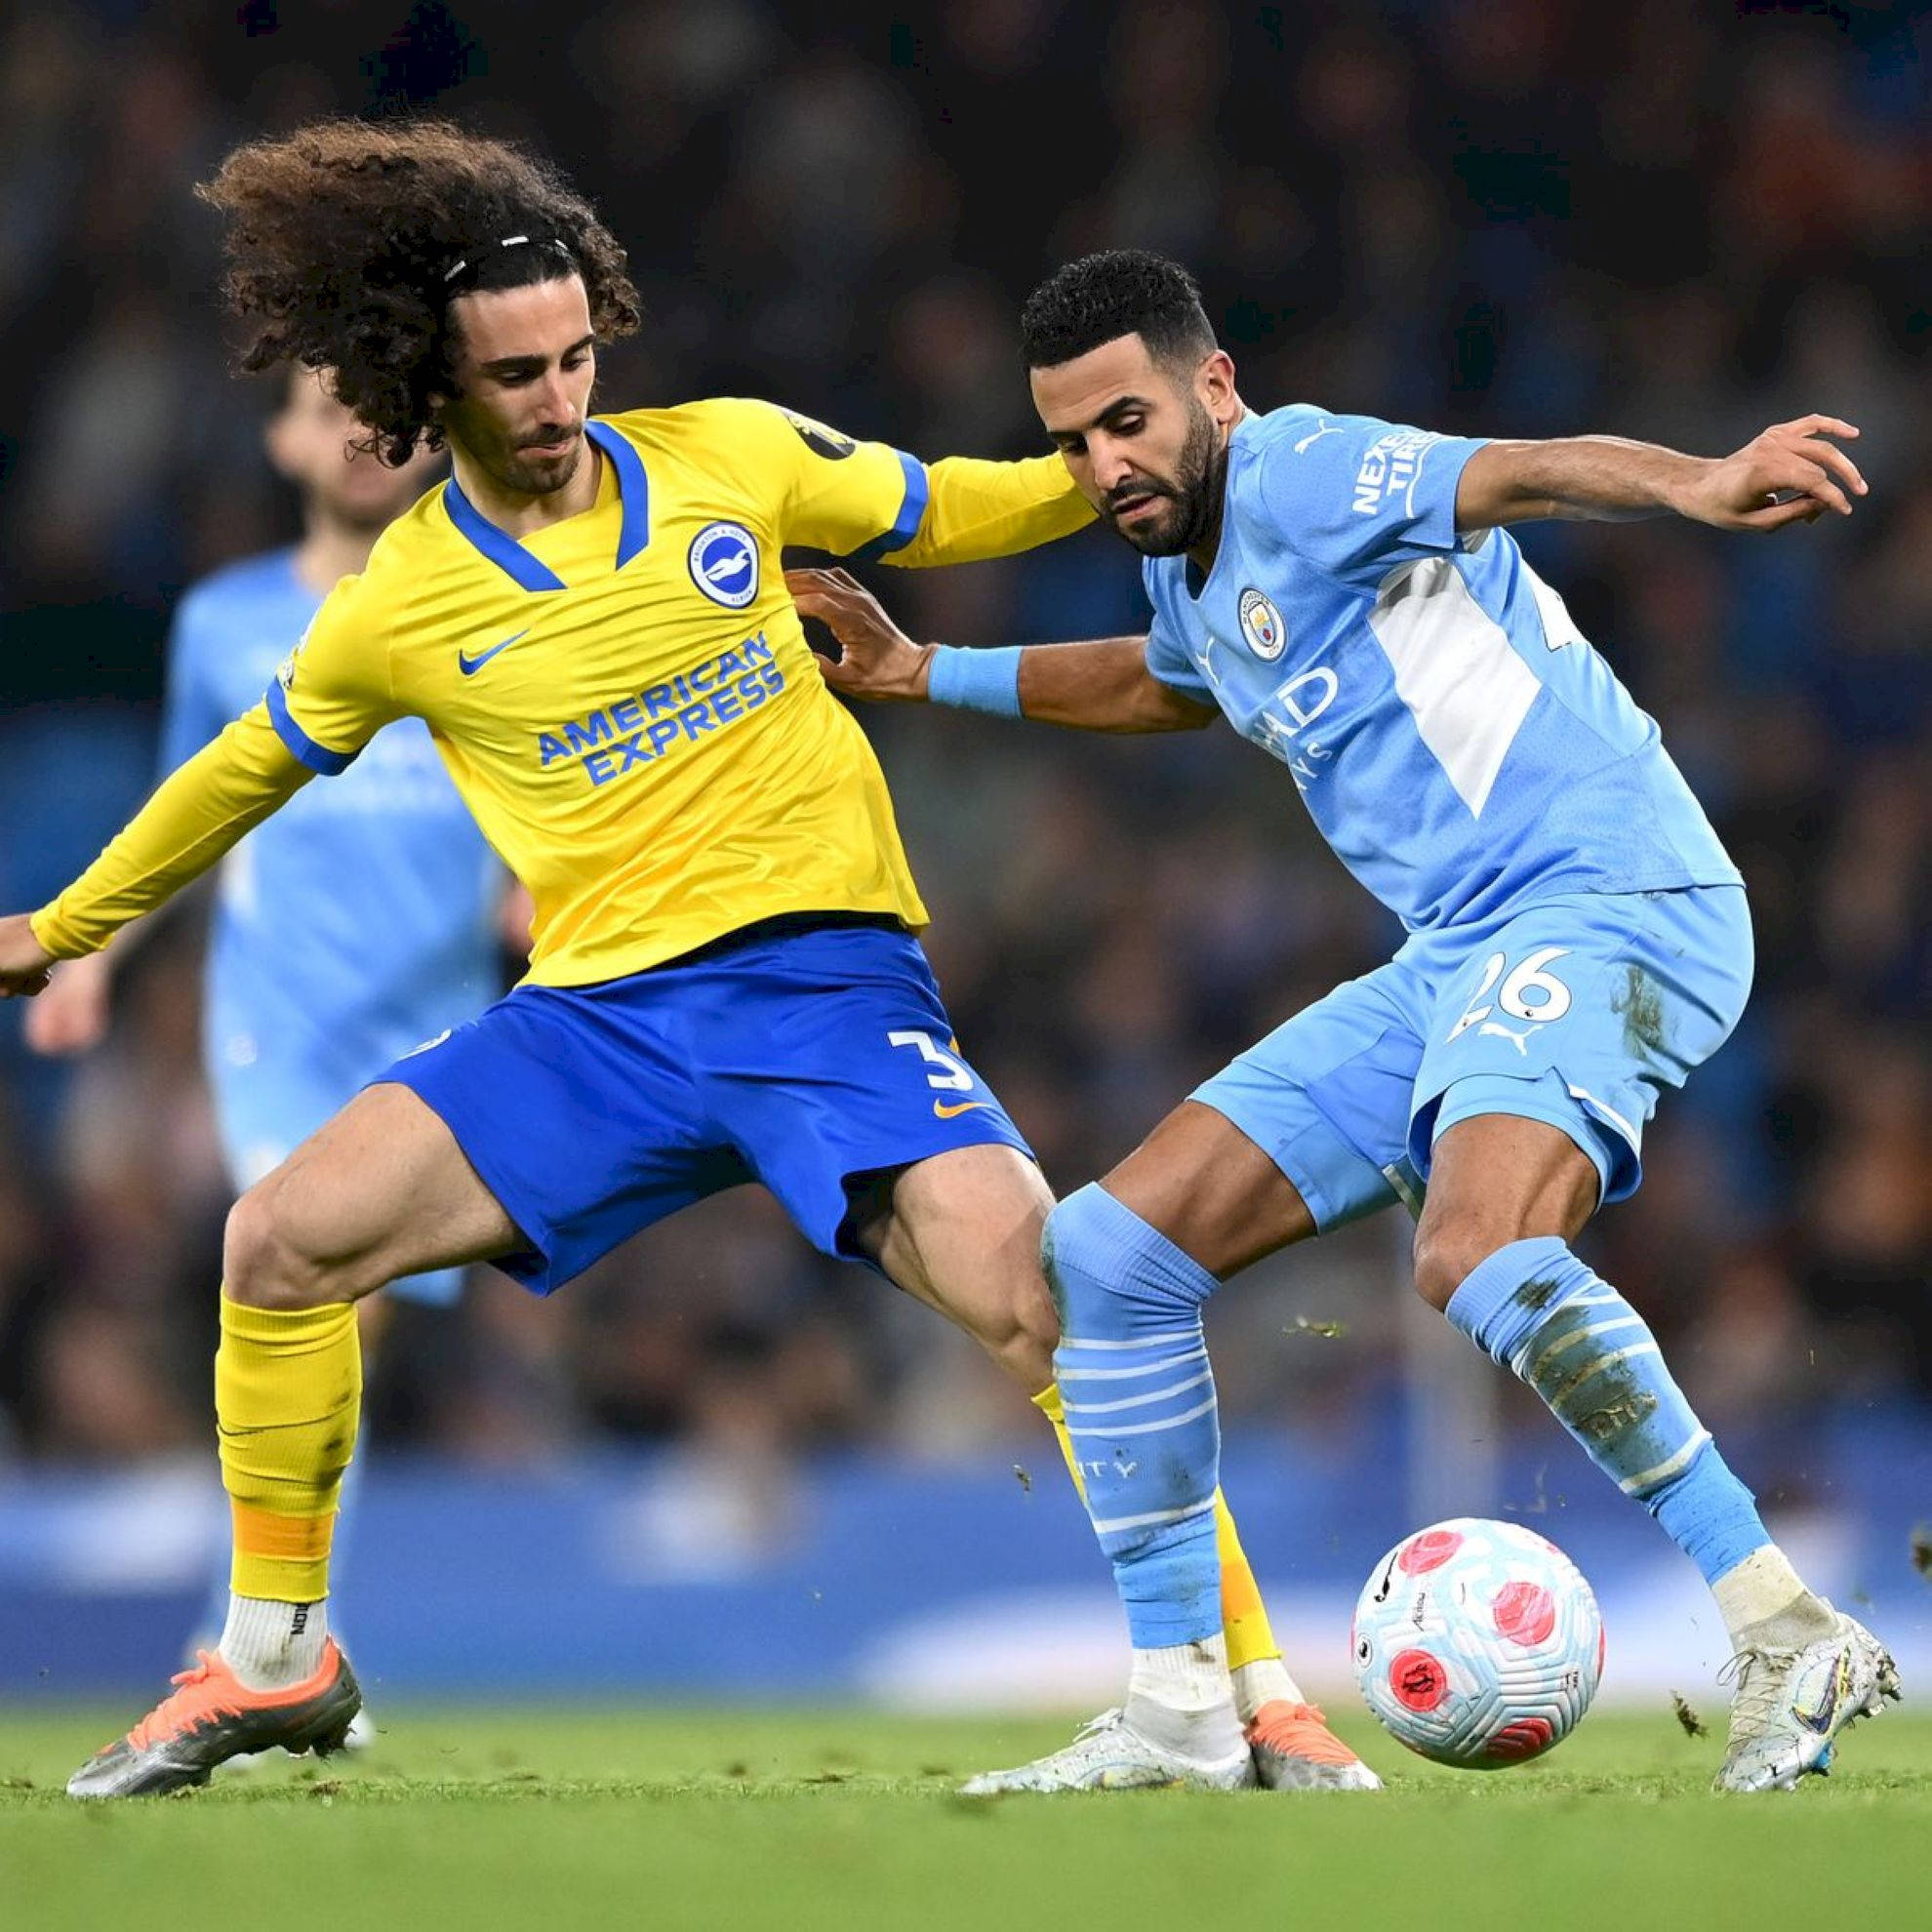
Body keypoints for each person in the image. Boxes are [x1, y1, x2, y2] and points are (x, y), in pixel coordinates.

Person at [0, 131, 1361, 1799]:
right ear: (431, 380)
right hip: (595, 1026)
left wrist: (1160, 463)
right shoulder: (399, 604)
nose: (560, 398)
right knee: (279, 1241)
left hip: (822, 992)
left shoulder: (729, 454)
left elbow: (953, 504)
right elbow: (242, 771)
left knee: (1048, 1296)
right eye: (516, 373)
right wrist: (60, 926)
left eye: (578, 356)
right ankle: (278, 1663)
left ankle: (1251, 1693)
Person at [789, 248, 1900, 1795]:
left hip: (1607, 894)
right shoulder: (1183, 565)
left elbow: (1514, 471)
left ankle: (1785, 1626)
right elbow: (1173, 683)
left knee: (1474, 1249)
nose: (1103, 466)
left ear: (1213, 386)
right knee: (1106, 1261)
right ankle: (1184, 1708)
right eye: (1071, 443)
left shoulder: (1305, 469)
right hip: (1458, 955)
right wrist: (925, 671)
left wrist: (1701, 481)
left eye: (1126, 421)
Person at [25, 366, 508, 1752]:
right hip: (279, 1029)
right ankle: (261, 1637)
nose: (359, 434)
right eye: (327, 407)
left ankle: (282, 1636)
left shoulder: (490, 598)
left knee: (345, 1324)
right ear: (281, 438)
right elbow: (190, 808)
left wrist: (544, 890)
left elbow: (544, 780)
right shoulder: (224, 623)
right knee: (327, 1296)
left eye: (386, 408)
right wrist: (94, 951)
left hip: (444, 1027)